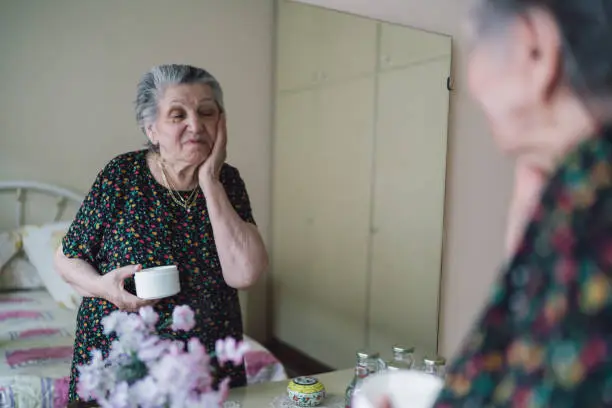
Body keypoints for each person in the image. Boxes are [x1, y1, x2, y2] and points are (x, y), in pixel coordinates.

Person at [378, 0, 612, 406]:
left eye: (475, 47)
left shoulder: (590, 201)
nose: (472, 81)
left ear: (534, 47)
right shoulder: (572, 186)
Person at [54, 64, 269, 402]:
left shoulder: (227, 181)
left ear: (221, 122)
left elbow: (245, 273)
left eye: (206, 112)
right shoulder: (121, 175)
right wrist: (103, 288)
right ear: (151, 129)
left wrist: (209, 180)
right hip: (126, 366)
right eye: (177, 115)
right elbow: (67, 258)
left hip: (203, 368)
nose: (195, 125)